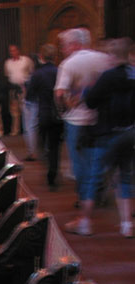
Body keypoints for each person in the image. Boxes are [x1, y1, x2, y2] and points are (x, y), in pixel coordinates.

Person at [54, 27, 112, 236]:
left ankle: (84, 203)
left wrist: (64, 110)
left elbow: (60, 93)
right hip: (101, 120)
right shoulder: (105, 59)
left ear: (74, 44)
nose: (63, 49)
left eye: (64, 45)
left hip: (76, 121)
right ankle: (99, 194)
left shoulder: (69, 64)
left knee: (79, 164)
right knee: (98, 160)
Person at [84, 37, 135, 238]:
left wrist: (89, 87)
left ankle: (85, 222)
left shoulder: (108, 76)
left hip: (108, 132)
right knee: (125, 177)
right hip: (130, 131)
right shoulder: (133, 74)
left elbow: (90, 101)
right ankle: (127, 224)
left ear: (113, 55)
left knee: (94, 176)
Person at [27, 43, 63, 188]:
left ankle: (47, 166)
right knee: (55, 146)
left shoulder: (37, 74)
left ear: (41, 56)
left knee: (43, 143)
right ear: (54, 56)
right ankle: (53, 172)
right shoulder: (59, 71)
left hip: (43, 113)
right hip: (58, 114)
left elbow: (30, 96)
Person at [4, 44, 34, 140]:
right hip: (13, 89)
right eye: (11, 51)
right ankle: (15, 130)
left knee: (25, 109)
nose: (13, 52)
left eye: (14, 50)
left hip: (24, 88)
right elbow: (7, 75)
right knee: (14, 110)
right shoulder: (8, 63)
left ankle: (27, 129)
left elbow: (32, 72)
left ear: (18, 50)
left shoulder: (26, 60)